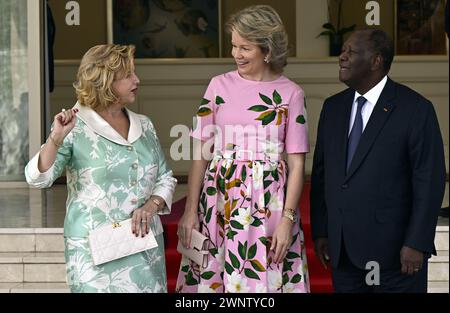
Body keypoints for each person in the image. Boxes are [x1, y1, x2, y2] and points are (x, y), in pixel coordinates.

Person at [176, 5, 310, 293]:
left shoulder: (292, 94)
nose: (236, 54)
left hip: (269, 207)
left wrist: (287, 219)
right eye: (234, 46)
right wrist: (190, 210)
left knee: (263, 283)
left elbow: (297, 165)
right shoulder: (217, 86)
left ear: (267, 50)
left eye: (245, 48)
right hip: (218, 202)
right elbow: (201, 154)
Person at [25, 44, 177, 293]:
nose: (137, 80)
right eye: (128, 75)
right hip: (93, 256)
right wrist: (55, 139)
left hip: (144, 251)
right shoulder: (75, 125)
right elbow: (37, 178)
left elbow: (166, 178)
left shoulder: (145, 125)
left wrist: (152, 205)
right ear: (105, 80)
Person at [310, 29, 446, 293]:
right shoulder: (332, 108)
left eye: (351, 51)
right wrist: (322, 231)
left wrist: (417, 242)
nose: (342, 57)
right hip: (344, 255)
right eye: (343, 51)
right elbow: (322, 175)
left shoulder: (415, 109)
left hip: (397, 258)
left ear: (376, 61)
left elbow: (429, 180)